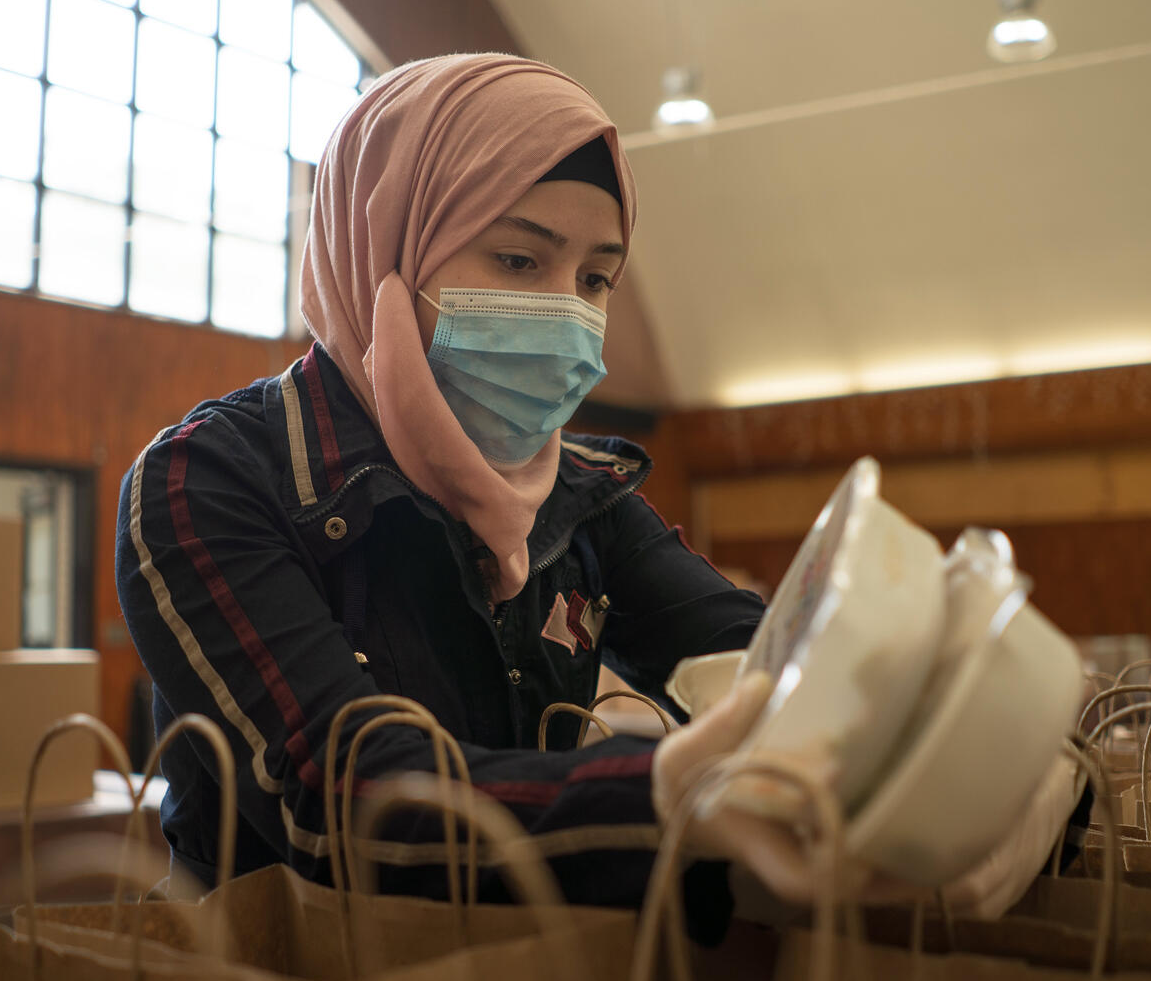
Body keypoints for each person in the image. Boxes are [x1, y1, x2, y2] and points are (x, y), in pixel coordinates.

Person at [116, 52, 1083, 936]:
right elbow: (344, 804)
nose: (567, 316)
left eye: (596, 279)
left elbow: (761, 650)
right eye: (517, 260)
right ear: (386, 246)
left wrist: (957, 736)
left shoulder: (575, 496)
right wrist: (663, 796)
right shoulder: (209, 484)